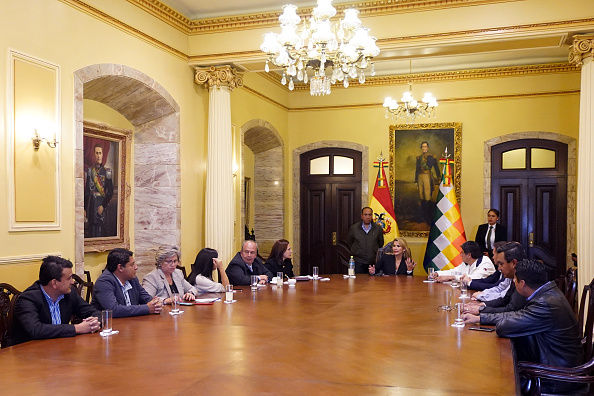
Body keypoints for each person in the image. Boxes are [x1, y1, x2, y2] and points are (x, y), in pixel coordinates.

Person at [463, 259, 584, 394]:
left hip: (556, 377)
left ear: (522, 283)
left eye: (515, 279)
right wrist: (481, 318)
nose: (514, 283)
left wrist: (486, 318)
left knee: (490, 378)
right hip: (553, 362)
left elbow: (505, 327)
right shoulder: (548, 293)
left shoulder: (545, 304)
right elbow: (519, 314)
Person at [10, 256, 101, 346]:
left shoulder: (69, 293)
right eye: (69, 278)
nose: (73, 282)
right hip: (28, 353)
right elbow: (36, 330)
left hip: (60, 348)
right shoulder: (27, 299)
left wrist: (93, 322)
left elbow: (93, 312)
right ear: (54, 283)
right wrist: (76, 328)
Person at [92, 248, 162, 317]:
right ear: (120, 268)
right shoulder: (104, 282)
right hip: (110, 325)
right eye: (132, 265)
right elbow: (113, 310)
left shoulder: (132, 279)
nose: (136, 267)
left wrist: (155, 303)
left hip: (131, 323)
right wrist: (146, 308)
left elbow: (146, 298)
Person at [464, 241, 527, 315]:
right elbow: (505, 300)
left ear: (513, 263)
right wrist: (483, 305)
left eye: (501, 264)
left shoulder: (523, 280)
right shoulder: (514, 276)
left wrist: (481, 311)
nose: (499, 268)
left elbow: (511, 310)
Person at [84, 144, 113, 237]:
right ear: (94, 154)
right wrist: (84, 208)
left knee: (101, 230)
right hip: (92, 205)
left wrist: (103, 206)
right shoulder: (90, 171)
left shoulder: (107, 172)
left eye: (100, 153)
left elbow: (110, 192)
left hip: (101, 205)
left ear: (102, 155)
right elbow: (87, 192)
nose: (98, 155)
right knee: (91, 230)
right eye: (96, 153)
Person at [346, 207, 384, 274]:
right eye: (365, 214)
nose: (368, 217)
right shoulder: (354, 228)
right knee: (358, 282)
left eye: (369, 215)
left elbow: (380, 243)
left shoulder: (378, 228)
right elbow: (349, 242)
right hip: (358, 261)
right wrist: (356, 251)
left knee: (372, 282)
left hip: (372, 261)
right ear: (361, 216)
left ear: (372, 216)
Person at [415, 141, 441, 224]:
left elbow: (436, 168)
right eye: (422, 146)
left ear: (428, 148)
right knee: (421, 197)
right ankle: (422, 216)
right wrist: (416, 180)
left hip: (427, 176)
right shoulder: (418, 158)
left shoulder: (431, 157)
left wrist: (439, 177)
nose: (424, 148)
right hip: (420, 177)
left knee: (427, 197)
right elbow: (417, 170)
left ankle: (428, 218)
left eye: (425, 146)